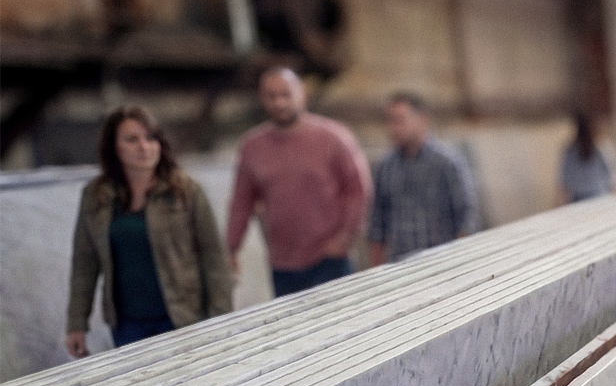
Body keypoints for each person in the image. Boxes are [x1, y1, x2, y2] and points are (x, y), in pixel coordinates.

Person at [66, 105, 232, 355]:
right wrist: (76, 324)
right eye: (132, 140)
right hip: (127, 324)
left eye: (150, 137)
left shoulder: (185, 191)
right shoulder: (96, 197)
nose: (144, 147)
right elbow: (84, 265)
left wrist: (221, 318)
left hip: (183, 318)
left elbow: (213, 257)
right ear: (114, 147)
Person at [226, 67, 371, 296]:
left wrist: (345, 237)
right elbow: (241, 202)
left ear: (302, 94)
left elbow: (358, 190)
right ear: (262, 99)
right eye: (271, 96)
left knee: (342, 327)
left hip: (329, 258)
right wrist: (231, 248)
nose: (279, 103)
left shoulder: (333, 138)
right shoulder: (252, 147)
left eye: (285, 95)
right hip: (283, 263)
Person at [367, 92, 479, 265]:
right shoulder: (386, 167)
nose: (393, 128)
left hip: (442, 263)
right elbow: (377, 223)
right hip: (401, 266)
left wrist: (460, 263)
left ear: (423, 120)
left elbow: (466, 217)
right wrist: (376, 270)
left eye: (400, 120)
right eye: (390, 121)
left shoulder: (447, 162)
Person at [558, 111, 614, 203]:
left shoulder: (600, 148)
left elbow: (564, 181)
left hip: (593, 197)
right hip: (594, 196)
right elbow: (610, 176)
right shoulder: (601, 147)